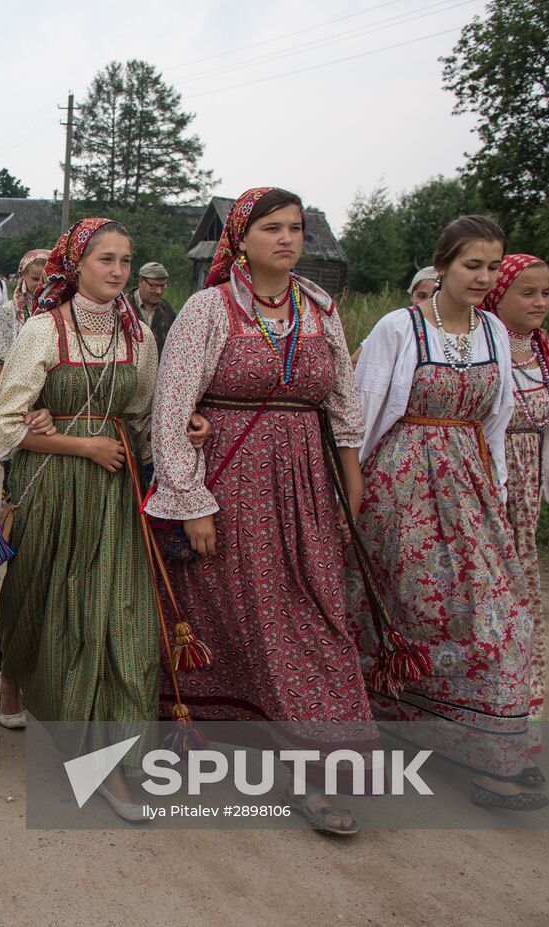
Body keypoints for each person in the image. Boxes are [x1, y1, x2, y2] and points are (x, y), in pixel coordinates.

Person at [147, 188, 375, 835]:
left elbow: (345, 410)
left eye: (296, 227)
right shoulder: (206, 309)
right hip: (228, 484)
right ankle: (216, 759)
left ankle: (318, 769)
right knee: (239, 620)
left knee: (316, 618)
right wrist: (191, 501)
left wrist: (349, 490)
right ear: (240, 239)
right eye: (272, 227)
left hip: (303, 487)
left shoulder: (321, 308)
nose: (287, 238)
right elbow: (172, 409)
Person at [352, 215, 542, 810]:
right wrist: (352, 499)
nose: (484, 277)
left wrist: (499, 497)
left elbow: (497, 419)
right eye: (472, 265)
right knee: (406, 614)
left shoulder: (493, 333)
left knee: (499, 616)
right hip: (400, 492)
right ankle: (395, 724)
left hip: (470, 491)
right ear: (442, 267)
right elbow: (359, 417)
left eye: (492, 266)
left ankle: (493, 747)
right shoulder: (399, 328)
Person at [0, 218, 171, 822]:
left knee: (118, 620)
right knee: (40, 598)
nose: (118, 271)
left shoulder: (139, 334)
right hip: (51, 488)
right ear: (77, 264)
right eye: (106, 260)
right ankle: (15, 676)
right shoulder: (43, 331)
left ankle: (106, 760)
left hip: (115, 494)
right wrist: (80, 444)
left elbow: (143, 417)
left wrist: (181, 437)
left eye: (126, 259)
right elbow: (6, 425)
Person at [480, 254, 549, 772]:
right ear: (497, 294)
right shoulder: (479, 348)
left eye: (546, 292)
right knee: (481, 601)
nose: (541, 302)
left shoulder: (546, 359)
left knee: (518, 605)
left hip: (524, 502)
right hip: (477, 484)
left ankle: (514, 726)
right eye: (528, 292)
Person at [0, 248, 50, 385]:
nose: (41, 284)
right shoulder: (10, 310)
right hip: (17, 384)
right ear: (23, 275)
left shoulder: (60, 307)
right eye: (35, 279)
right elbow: (0, 356)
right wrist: (0, 398)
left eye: (45, 279)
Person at [127, 261, 177, 354]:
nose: (159, 291)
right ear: (141, 281)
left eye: (162, 286)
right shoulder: (124, 307)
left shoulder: (167, 310)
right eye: (154, 286)